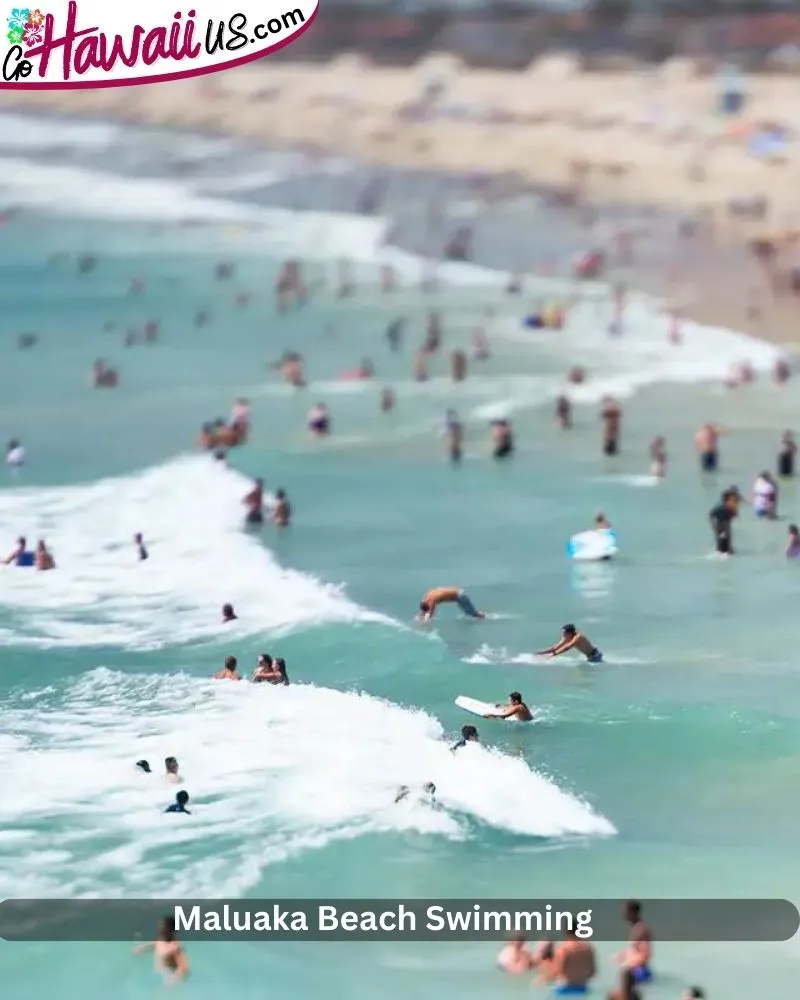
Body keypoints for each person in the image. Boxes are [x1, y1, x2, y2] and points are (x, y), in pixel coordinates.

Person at [536, 929, 597, 995]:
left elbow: (557, 971)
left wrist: (542, 979)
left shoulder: (563, 949)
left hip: (564, 990)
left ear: (566, 932)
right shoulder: (588, 949)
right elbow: (592, 972)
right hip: (583, 989)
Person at [133, 916, 189, 984]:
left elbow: (184, 968)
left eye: (164, 926)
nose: (160, 928)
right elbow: (155, 945)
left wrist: (173, 979)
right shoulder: (160, 939)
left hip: (167, 978)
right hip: (157, 976)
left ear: (172, 930)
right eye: (160, 925)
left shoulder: (175, 947)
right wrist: (142, 948)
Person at [615, 900, 653, 983]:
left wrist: (629, 964)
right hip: (635, 969)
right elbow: (635, 950)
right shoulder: (636, 928)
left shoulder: (641, 930)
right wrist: (623, 955)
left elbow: (646, 954)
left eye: (625, 912)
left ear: (632, 912)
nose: (623, 914)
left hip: (639, 971)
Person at [537, 624, 603, 663]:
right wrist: (539, 653)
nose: (563, 634)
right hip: (589, 656)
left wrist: (552, 655)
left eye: (564, 632)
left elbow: (567, 647)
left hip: (595, 655)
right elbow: (554, 648)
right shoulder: (566, 637)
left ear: (570, 633)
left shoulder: (578, 637)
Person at [418, 586, 485, 621]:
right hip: (458, 593)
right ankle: (481, 616)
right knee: (469, 613)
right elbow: (424, 610)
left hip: (460, 596)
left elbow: (430, 613)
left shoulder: (432, 600)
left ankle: (484, 618)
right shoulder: (427, 596)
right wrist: (421, 616)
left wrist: (424, 620)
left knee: (474, 614)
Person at [709, 489, 738, 556]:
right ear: (727, 500)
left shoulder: (723, 507)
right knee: (725, 550)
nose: (733, 501)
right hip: (723, 527)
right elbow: (711, 514)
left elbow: (711, 515)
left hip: (722, 527)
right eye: (731, 499)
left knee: (723, 548)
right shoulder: (724, 508)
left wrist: (713, 526)